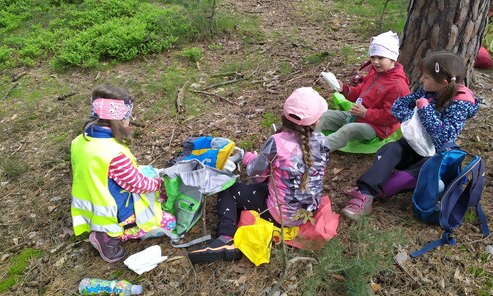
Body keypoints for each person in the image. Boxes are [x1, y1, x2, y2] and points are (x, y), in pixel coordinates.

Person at [188, 87, 330, 264]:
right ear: (316, 122)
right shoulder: (323, 141)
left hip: (281, 215)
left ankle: (225, 238)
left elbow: (255, 174)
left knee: (230, 190)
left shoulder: (276, 142)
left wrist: (249, 158)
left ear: (283, 117)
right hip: (307, 211)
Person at [341, 51, 480, 220]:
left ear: (443, 82)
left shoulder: (461, 103)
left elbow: (444, 136)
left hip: (434, 154)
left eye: (426, 77)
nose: (422, 80)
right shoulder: (427, 91)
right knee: (391, 149)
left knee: (426, 167)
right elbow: (398, 106)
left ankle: (383, 189)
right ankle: (365, 193)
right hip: (414, 143)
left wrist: (424, 110)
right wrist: (413, 117)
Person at [70, 84, 176, 263]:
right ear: (118, 121)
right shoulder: (113, 153)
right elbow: (136, 184)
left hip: (90, 203)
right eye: (128, 118)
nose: (130, 122)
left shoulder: (79, 141)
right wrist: (158, 184)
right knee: (169, 222)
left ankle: (104, 230)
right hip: (113, 210)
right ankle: (111, 236)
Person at [316, 31, 410, 151]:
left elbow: (391, 117)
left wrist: (365, 113)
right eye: (372, 57)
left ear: (392, 58)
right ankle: (308, 139)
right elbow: (360, 92)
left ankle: (318, 150)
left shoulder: (397, 86)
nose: (375, 61)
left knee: (348, 130)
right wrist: (344, 89)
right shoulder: (374, 72)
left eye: (380, 57)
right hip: (358, 115)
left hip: (376, 127)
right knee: (325, 115)